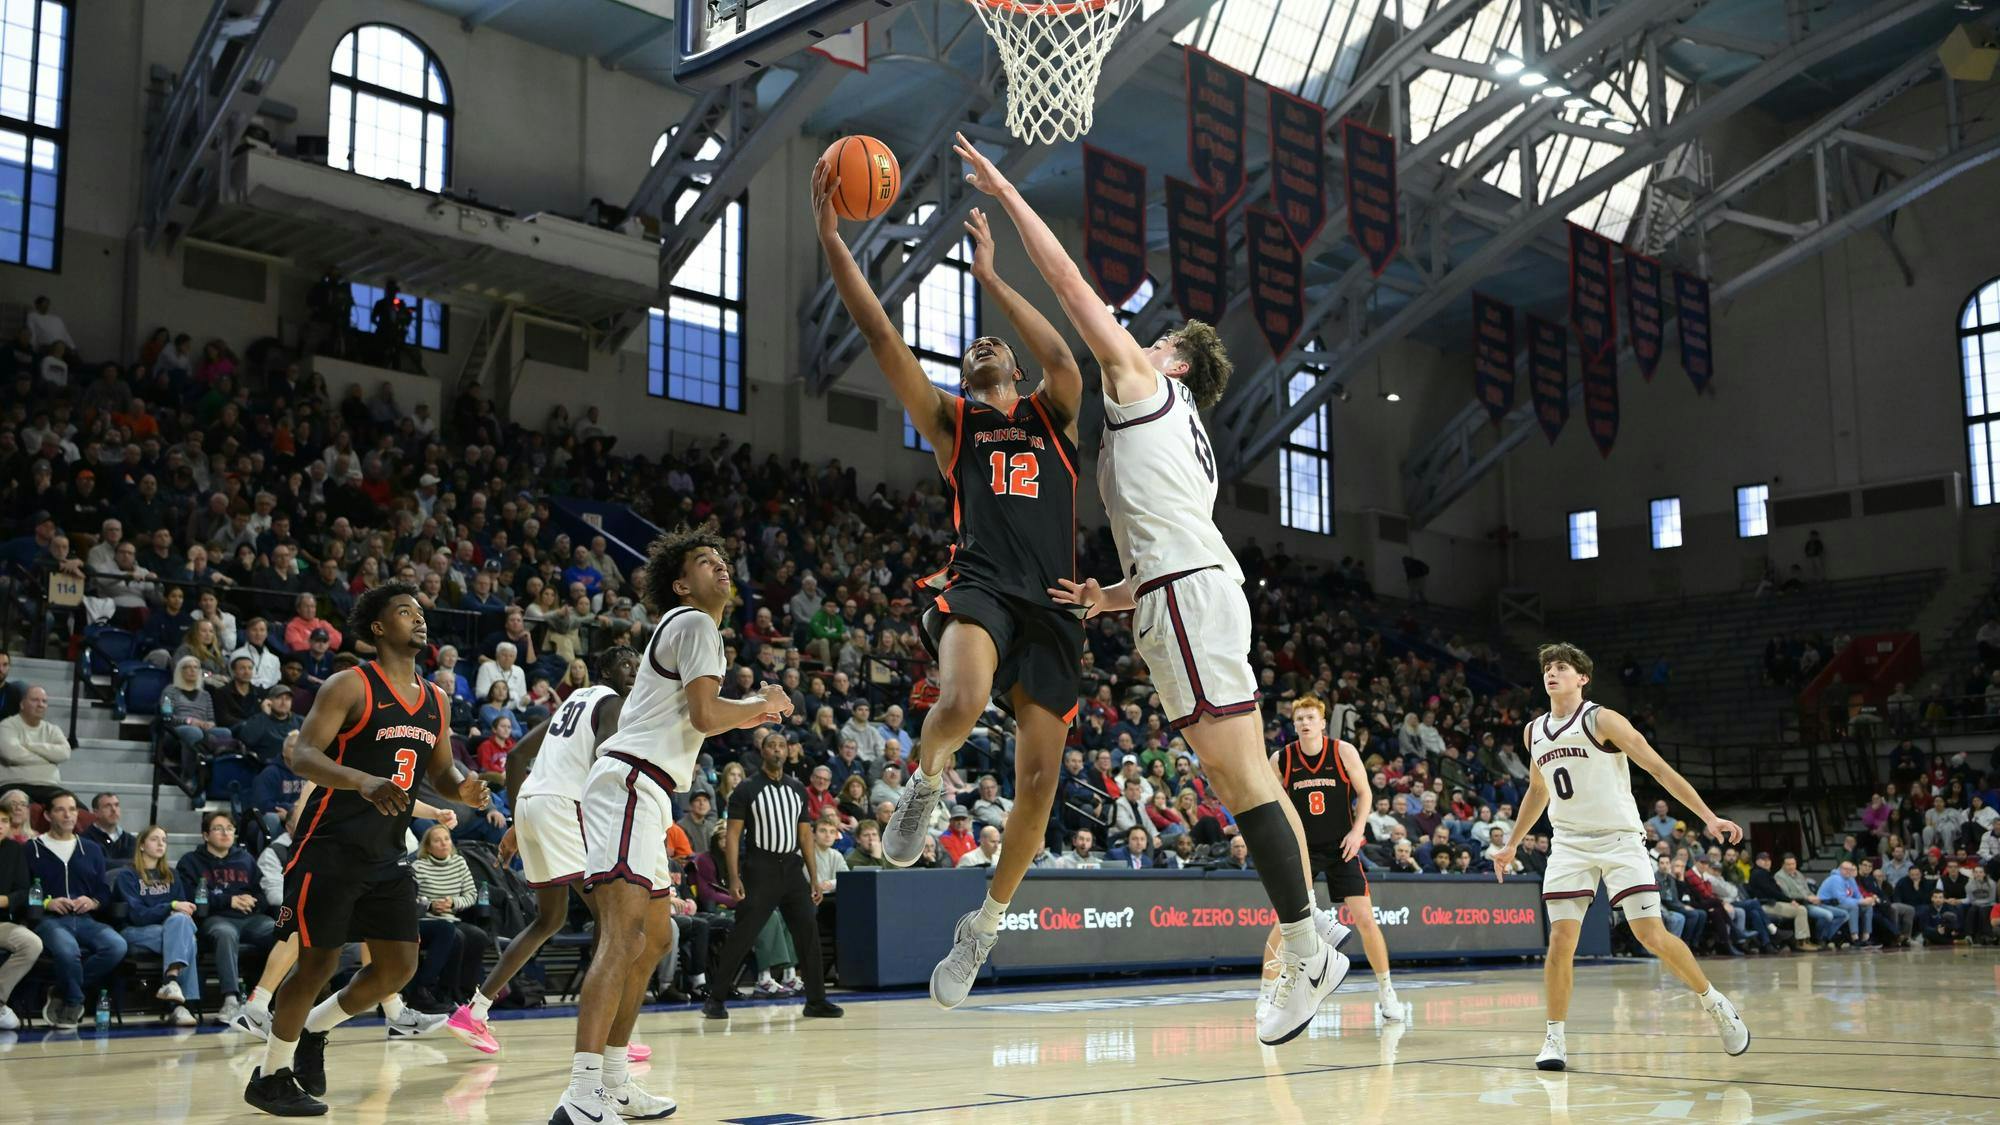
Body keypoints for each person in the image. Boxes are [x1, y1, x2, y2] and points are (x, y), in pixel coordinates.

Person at [951, 134, 1340, 1045]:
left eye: (1156, 338)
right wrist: (1112, 596)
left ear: (1171, 360)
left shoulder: (1140, 381)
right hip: (1182, 589)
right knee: (1240, 773)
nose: (1142, 339)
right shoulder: (1188, 444)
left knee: (1241, 777)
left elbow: (1072, 288)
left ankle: (1305, 945)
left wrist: (1008, 193)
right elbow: (1170, 535)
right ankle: (1311, 931)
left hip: (1188, 599)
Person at [815, 162, 1091, 1019]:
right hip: (980, 583)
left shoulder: (1055, 411)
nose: (983, 347)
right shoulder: (952, 421)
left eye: (991, 347)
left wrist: (994, 280)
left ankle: (984, 926)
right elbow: (881, 338)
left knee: (1039, 786)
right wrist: (832, 240)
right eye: (971, 347)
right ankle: (925, 784)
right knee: (963, 697)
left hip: (1055, 604)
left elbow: (1060, 352)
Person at [550, 529, 790, 1124]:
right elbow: (710, 715)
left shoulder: (696, 631)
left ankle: (614, 1079)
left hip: (646, 790)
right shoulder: (693, 622)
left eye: (725, 558)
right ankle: (580, 1092)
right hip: (630, 782)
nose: (721, 566)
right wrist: (765, 706)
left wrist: (757, 705)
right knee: (623, 936)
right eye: (706, 561)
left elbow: (701, 719)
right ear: (681, 583)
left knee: (654, 940)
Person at [244, 584, 491, 1117]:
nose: (419, 620)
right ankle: (269, 1077)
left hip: (386, 853)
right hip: (329, 845)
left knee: (397, 968)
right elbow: (304, 755)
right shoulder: (349, 684)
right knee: (315, 965)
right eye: (405, 612)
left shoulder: (436, 700)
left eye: (422, 613)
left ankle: (314, 1030)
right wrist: (360, 779)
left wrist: (464, 787)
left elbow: (442, 773)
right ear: (379, 628)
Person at [1489, 643, 1749, 1071]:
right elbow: (1538, 790)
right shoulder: (1533, 730)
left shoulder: (1601, 718)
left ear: (1582, 678)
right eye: (1547, 669)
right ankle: (1554, 1037)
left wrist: (1707, 816)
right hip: (1569, 842)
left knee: (1651, 935)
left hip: (1620, 839)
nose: (1551, 674)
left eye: (1561, 668)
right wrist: (1513, 842)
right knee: (1560, 941)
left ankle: (1715, 1003)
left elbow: (1658, 768)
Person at [446, 646, 640, 1055]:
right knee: (613, 919)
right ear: (604, 668)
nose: (634, 673)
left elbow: (517, 757)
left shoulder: (574, 701)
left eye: (639, 667)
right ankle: (608, 1036)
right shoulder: (614, 703)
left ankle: (475, 1011)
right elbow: (607, 769)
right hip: (563, 806)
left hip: (534, 801)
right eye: (626, 664)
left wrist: (518, 820)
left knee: (549, 919)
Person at [1260, 695, 1400, 1019]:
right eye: (1299, 719)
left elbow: (1365, 792)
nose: (1305, 723)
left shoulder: (1342, 751)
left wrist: (1358, 831)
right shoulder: (1282, 759)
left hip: (1342, 846)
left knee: (1366, 920)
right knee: (1286, 922)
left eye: (1310, 717)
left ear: (1322, 722)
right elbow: (1268, 801)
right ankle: (1266, 995)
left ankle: (1387, 991)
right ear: (1293, 725)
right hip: (1303, 850)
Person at [701, 737, 843, 1023]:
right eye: (772, 745)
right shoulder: (746, 789)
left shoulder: (796, 789)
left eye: (781, 745)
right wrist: (733, 876)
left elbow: (805, 835)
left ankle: (816, 1000)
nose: (777, 749)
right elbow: (732, 835)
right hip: (760, 867)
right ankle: (715, 999)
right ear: (762, 751)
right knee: (743, 933)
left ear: (787, 751)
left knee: (807, 932)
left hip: (792, 869)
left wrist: (814, 877)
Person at [25, 790, 126, 1028]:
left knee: (117, 946)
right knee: (68, 951)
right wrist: (47, 902)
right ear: (48, 816)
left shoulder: (91, 849)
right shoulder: (32, 849)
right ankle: (73, 1000)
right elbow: (22, 890)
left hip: (85, 919)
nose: (68, 815)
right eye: (61, 809)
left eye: (72, 809)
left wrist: (93, 902)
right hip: (49, 920)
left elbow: (103, 890)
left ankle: (62, 989)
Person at [177, 810, 276, 1022]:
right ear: (205, 835)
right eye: (218, 828)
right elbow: (191, 897)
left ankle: (271, 999)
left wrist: (253, 901)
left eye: (230, 828)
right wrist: (228, 900)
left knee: (279, 931)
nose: (226, 833)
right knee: (225, 934)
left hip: (250, 919)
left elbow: (261, 893)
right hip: (215, 918)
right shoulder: (191, 861)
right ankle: (231, 1000)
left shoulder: (246, 859)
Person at [112, 824, 201, 1026]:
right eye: (154, 839)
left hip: (169, 931)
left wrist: (174, 911)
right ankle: (184, 1004)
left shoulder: (172, 874)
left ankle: (172, 986)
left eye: (164, 840)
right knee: (188, 939)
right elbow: (137, 915)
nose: (161, 843)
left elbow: (184, 912)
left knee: (182, 926)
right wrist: (169, 905)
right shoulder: (127, 876)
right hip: (136, 933)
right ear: (142, 845)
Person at [0, 804, 40, 1030]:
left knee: (31, 943)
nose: (0, 825)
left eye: (4, 821)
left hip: (2, 921)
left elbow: (24, 891)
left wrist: (5, 900)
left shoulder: (14, 850)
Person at [0, 685, 71, 806]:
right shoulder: (7, 726)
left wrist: (29, 745)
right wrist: (49, 759)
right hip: (15, 786)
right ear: (22, 704)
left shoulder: (53, 729)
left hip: (50, 787)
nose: (41, 705)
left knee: (80, 812)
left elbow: (64, 753)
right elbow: (12, 754)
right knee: (30, 811)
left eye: (44, 701)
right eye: (35, 700)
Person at [84, 791, 136, 862]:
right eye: (107, 806)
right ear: (96, 812)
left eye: (116, 805)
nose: (114, 809)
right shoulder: (85, 839)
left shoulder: (131, 840)